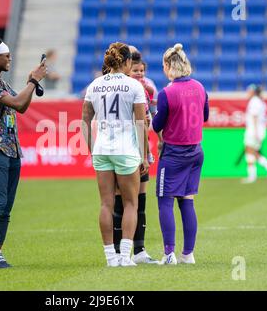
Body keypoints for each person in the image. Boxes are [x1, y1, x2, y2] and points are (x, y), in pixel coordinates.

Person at [0, 35, 47, 269]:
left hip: (11, 149)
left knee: (6, 204)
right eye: (6, 55)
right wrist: (33, 81)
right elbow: (15, 103)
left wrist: (31, 83)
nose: (9, 58)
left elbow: (21, 105)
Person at [82, 42, 149, 267]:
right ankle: (125, 256)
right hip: (126, 149)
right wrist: (144, 155)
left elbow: (84, 120)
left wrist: (92, 149)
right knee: (131, 204)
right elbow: (140, 124)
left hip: (102, 149)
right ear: (128, 61)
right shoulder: (134, 86)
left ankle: (111, 257)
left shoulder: (95, 85)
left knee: (105, 204)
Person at [152, 43, 209, 265]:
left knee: (165, 201)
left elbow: (157, 125)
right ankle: (188, 254)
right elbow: (204, 117)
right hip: (195, 152)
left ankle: (169, 254)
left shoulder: (166, 93)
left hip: (174, 153)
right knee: (187, 201)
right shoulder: (200, 87)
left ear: (168, 66)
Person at [113, 57, 159, 264]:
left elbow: (151, 118)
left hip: (142, 149)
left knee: (140, 202)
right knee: (120, 202)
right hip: (123, 149)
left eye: (141, 70)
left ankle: (139, 251)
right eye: (135, 70)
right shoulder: (122, 89)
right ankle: (117, 251)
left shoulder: (148, 89)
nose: (139, 74)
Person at [242, 84, 267, 183]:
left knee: (249, 151)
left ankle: (252, 176)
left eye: (249, 90)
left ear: (253, 92)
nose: (247, 92)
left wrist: (255, 132)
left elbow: (255, 117)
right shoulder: (260, 101)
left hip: (254, 131)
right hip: (258, 130)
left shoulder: (254, 101)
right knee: (253, 152)